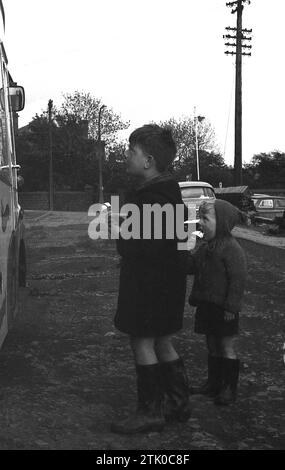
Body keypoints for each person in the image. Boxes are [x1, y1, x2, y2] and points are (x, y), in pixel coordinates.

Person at [110, 124, 190, 434]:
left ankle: (150, 411)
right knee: (164, 340)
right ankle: (179, 403)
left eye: (132, 151)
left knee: (142, 342)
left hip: (146, 285)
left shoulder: (145, 200)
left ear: (148, 161)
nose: (127, 156)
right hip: (169, 284)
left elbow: (129, 245)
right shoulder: (171, 194)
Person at [186, 199, 247, 406]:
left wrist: (232, 306)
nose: (200, 223)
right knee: (211, 344)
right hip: (207, 305)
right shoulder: (205, 247)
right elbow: (191, 266)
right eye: (200, 218)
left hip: (224, 308)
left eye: (205, 219)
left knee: (225, 345)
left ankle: (228, 389)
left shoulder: (232, 248)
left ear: (221, 222)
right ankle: (213, 384)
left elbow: (237, 280)